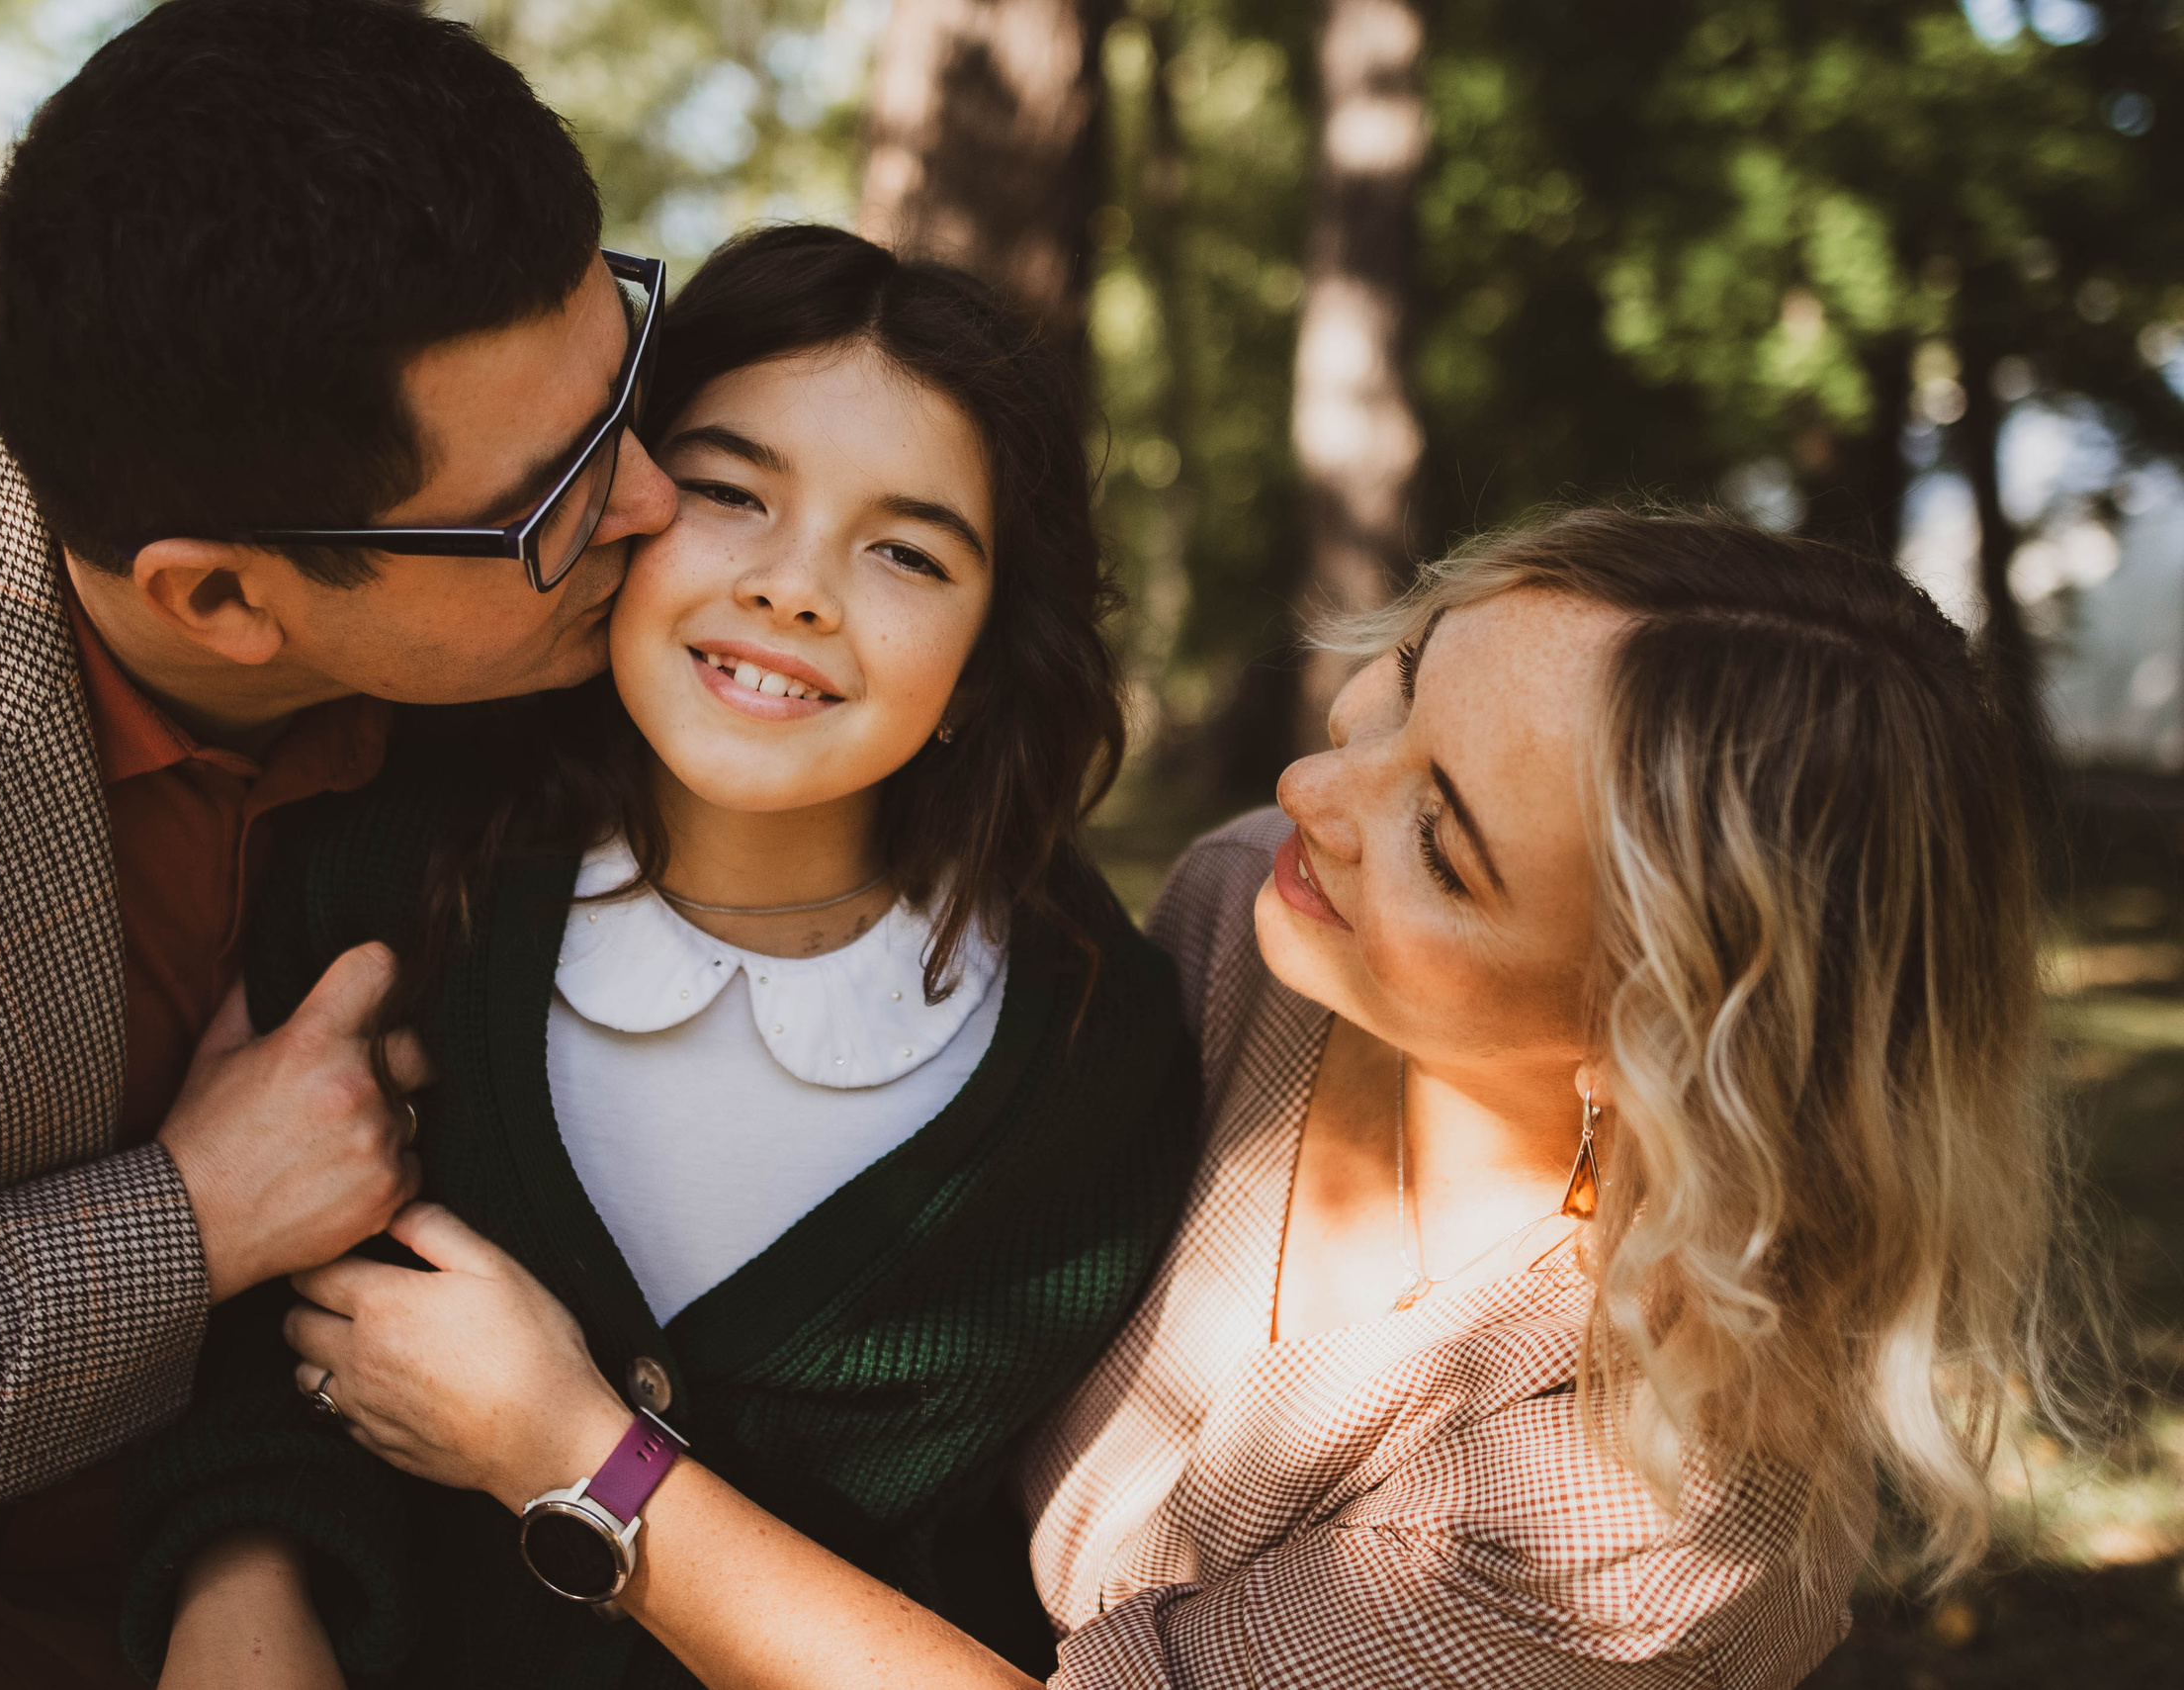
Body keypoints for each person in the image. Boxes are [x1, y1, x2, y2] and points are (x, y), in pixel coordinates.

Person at [278, 507, 2089, 1687]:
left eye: (1443, 841)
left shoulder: (1652, 1509)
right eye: (1396, 689)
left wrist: (576, 1454)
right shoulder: (1253, 929)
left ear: (1664, 1045)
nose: (1316, 787)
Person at [0, 1, 672, 1683]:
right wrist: (187, 1219)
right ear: (217, 597)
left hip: (436, 1572)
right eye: (549, 498)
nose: (650, 497)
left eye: (624, 367)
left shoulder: (644, 617)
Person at [119, 223, 1202, 1690]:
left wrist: (582, 1450)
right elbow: (249, 1373)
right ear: (613, 510)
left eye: (906, 550)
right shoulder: (389, 870)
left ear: (983, 658)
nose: (795, 588)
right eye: (731, 491)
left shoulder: (1091, 1058)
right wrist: (241, 1600)